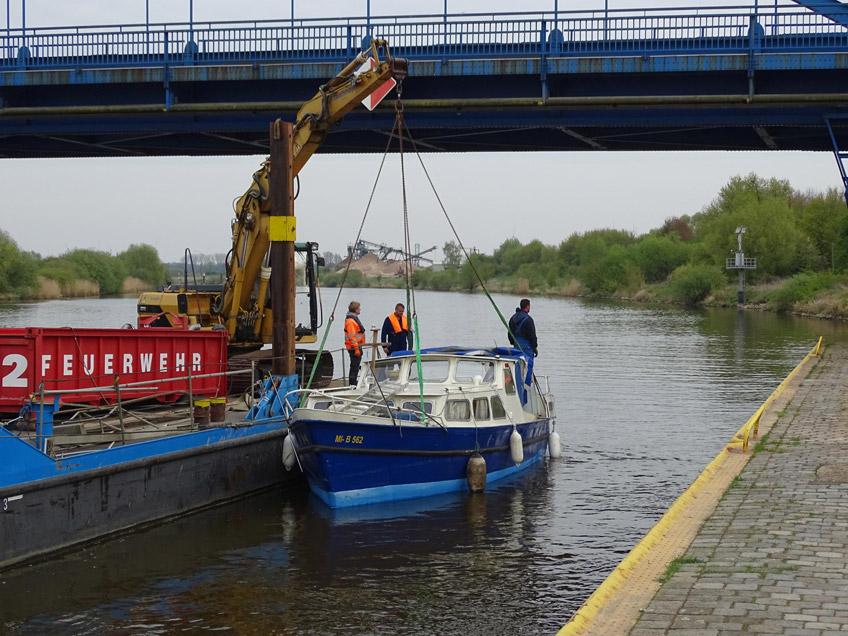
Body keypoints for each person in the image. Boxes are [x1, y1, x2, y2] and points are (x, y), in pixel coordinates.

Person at [508, 298, 537, 389]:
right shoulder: (528, 319)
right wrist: (534, 346)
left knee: (518, 365)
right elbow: (532, 334)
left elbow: (510, 333)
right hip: (527, 346)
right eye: (529, 306)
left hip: (516, 345)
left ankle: (517, 382)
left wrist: (513, 343)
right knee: (528, 364)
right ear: (527, 306)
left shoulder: (512, 318)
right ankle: (526, 386)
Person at [344, 301, 365, 386]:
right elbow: (352, 337)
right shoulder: (351, 321)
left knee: (356, 365)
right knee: (354, 365)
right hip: (353, 347)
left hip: (357, 346)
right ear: (356, 310)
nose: (360, 310)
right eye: (359, 308)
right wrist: (356, 349)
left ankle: (354, 381)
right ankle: (352, 383)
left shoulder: (353, 319)